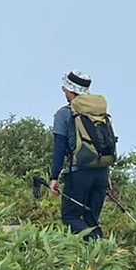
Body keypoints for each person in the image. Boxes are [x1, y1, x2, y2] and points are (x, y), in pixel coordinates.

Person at [49, 71, 116, 238]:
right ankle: (100, 249)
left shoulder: (64, 113)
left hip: (79, 173)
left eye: (65, 89)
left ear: (71, 91)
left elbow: (59, 148)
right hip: (102, 171)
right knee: (91, 218)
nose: (64, 92)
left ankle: (95, 243)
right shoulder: (98, 112)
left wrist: (54, 177)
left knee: (70, 217)